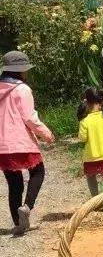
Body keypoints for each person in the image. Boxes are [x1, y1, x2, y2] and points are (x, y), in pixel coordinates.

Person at [0, 51, 54, 235]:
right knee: (38, 172)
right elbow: (29, 118)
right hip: (21, 142)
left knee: (14, 184)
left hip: (2, 146)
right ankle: (27, 207)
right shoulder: (22, 89)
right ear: (21, 71)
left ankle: (18, 224)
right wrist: (46, 134)